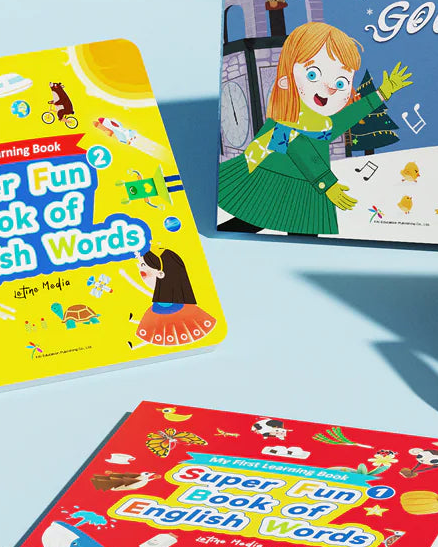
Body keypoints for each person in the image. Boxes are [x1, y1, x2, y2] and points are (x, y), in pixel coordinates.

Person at [218, 21, 412, 235]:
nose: (328, 89)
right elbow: (300, 148)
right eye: (313, 75)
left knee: (298, 231)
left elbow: (346, 117)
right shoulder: (287, 120)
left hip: (302, 189)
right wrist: (326, 183)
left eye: (341, 83)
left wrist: (381, 94)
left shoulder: (322, 123)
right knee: (252, 223)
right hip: (274, 181)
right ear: (287, 77)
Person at [128, 248, 215, 348]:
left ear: (161, 273)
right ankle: (135, 345)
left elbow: (143, 290)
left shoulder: (169, 296)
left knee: (156, 333)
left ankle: (135, 346)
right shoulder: (162, 295)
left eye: (143, 266)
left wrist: (128, 278)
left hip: (175, 315)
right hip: (160, 312)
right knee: (154, 332)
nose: (141, 272)